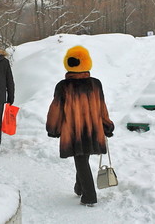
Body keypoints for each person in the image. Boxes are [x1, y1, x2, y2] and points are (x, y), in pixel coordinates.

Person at [46, 45, 114, 207]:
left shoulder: (63, 86)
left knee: (81, 159)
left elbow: (55, 109)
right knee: (83, 157)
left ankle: (89, 195)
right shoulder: (95, 84)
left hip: (74, 131)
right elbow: (101, 107)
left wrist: (53, 128)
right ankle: (79, 187)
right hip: (92, 130)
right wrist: (106, 124)